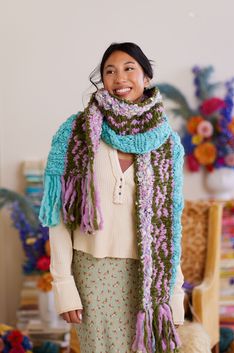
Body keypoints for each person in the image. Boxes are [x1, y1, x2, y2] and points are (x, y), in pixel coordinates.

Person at [39, 42, 185, 353]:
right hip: (93, 273)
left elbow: (171, 227)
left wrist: (174, 294)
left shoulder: (169, 144)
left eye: (129, 68)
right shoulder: (75, 133)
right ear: (102, 80)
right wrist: (63, 286)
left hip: (148, 278)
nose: (120, 78)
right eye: (110, 71)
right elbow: (58, 218)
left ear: (146, 77)